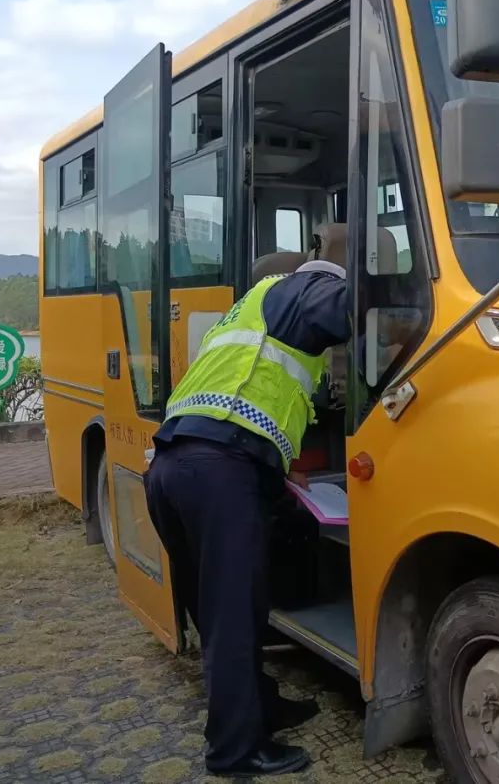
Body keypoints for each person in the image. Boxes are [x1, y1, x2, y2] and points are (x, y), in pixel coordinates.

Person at [144, 249, 348, 777]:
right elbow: (352, 306)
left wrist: (281, 475)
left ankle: (262, 706)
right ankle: (235, 751)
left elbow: (246, 399)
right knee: (233, 615)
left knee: (219, 612)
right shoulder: (305, 290)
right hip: (219, 471)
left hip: (172, 467)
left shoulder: (249, 310)